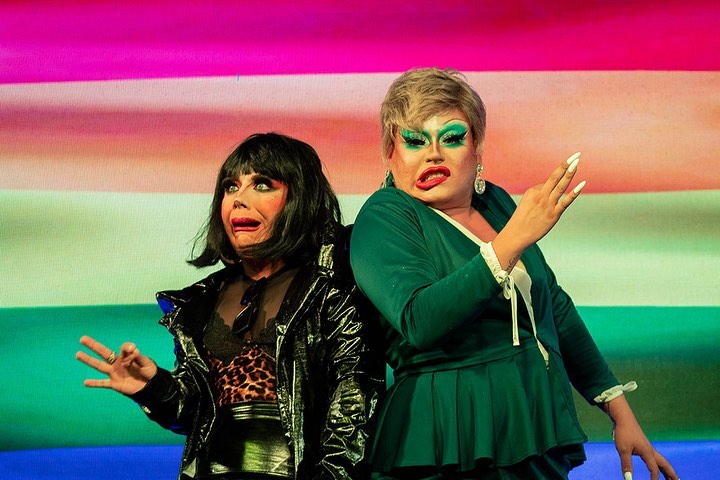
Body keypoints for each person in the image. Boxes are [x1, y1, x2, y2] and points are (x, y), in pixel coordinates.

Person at [349, 68, 679, 480]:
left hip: (530, 425)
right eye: (415, 141)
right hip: (448, 439)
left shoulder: (497, 203)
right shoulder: (384, 216)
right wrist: (511, 241)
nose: (433, 154)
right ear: (390, 152)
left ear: (477, 149)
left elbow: (552, 304)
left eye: (451, 138)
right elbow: (421, 320)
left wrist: (618, 409)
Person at [77, 133, 384, 480]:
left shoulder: (332, 286)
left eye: (262, 185)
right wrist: (154, 387)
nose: (239, 199)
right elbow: (195, 411)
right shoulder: (201, 301)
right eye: (230, 186)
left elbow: (354, 402)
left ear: (301, 198)